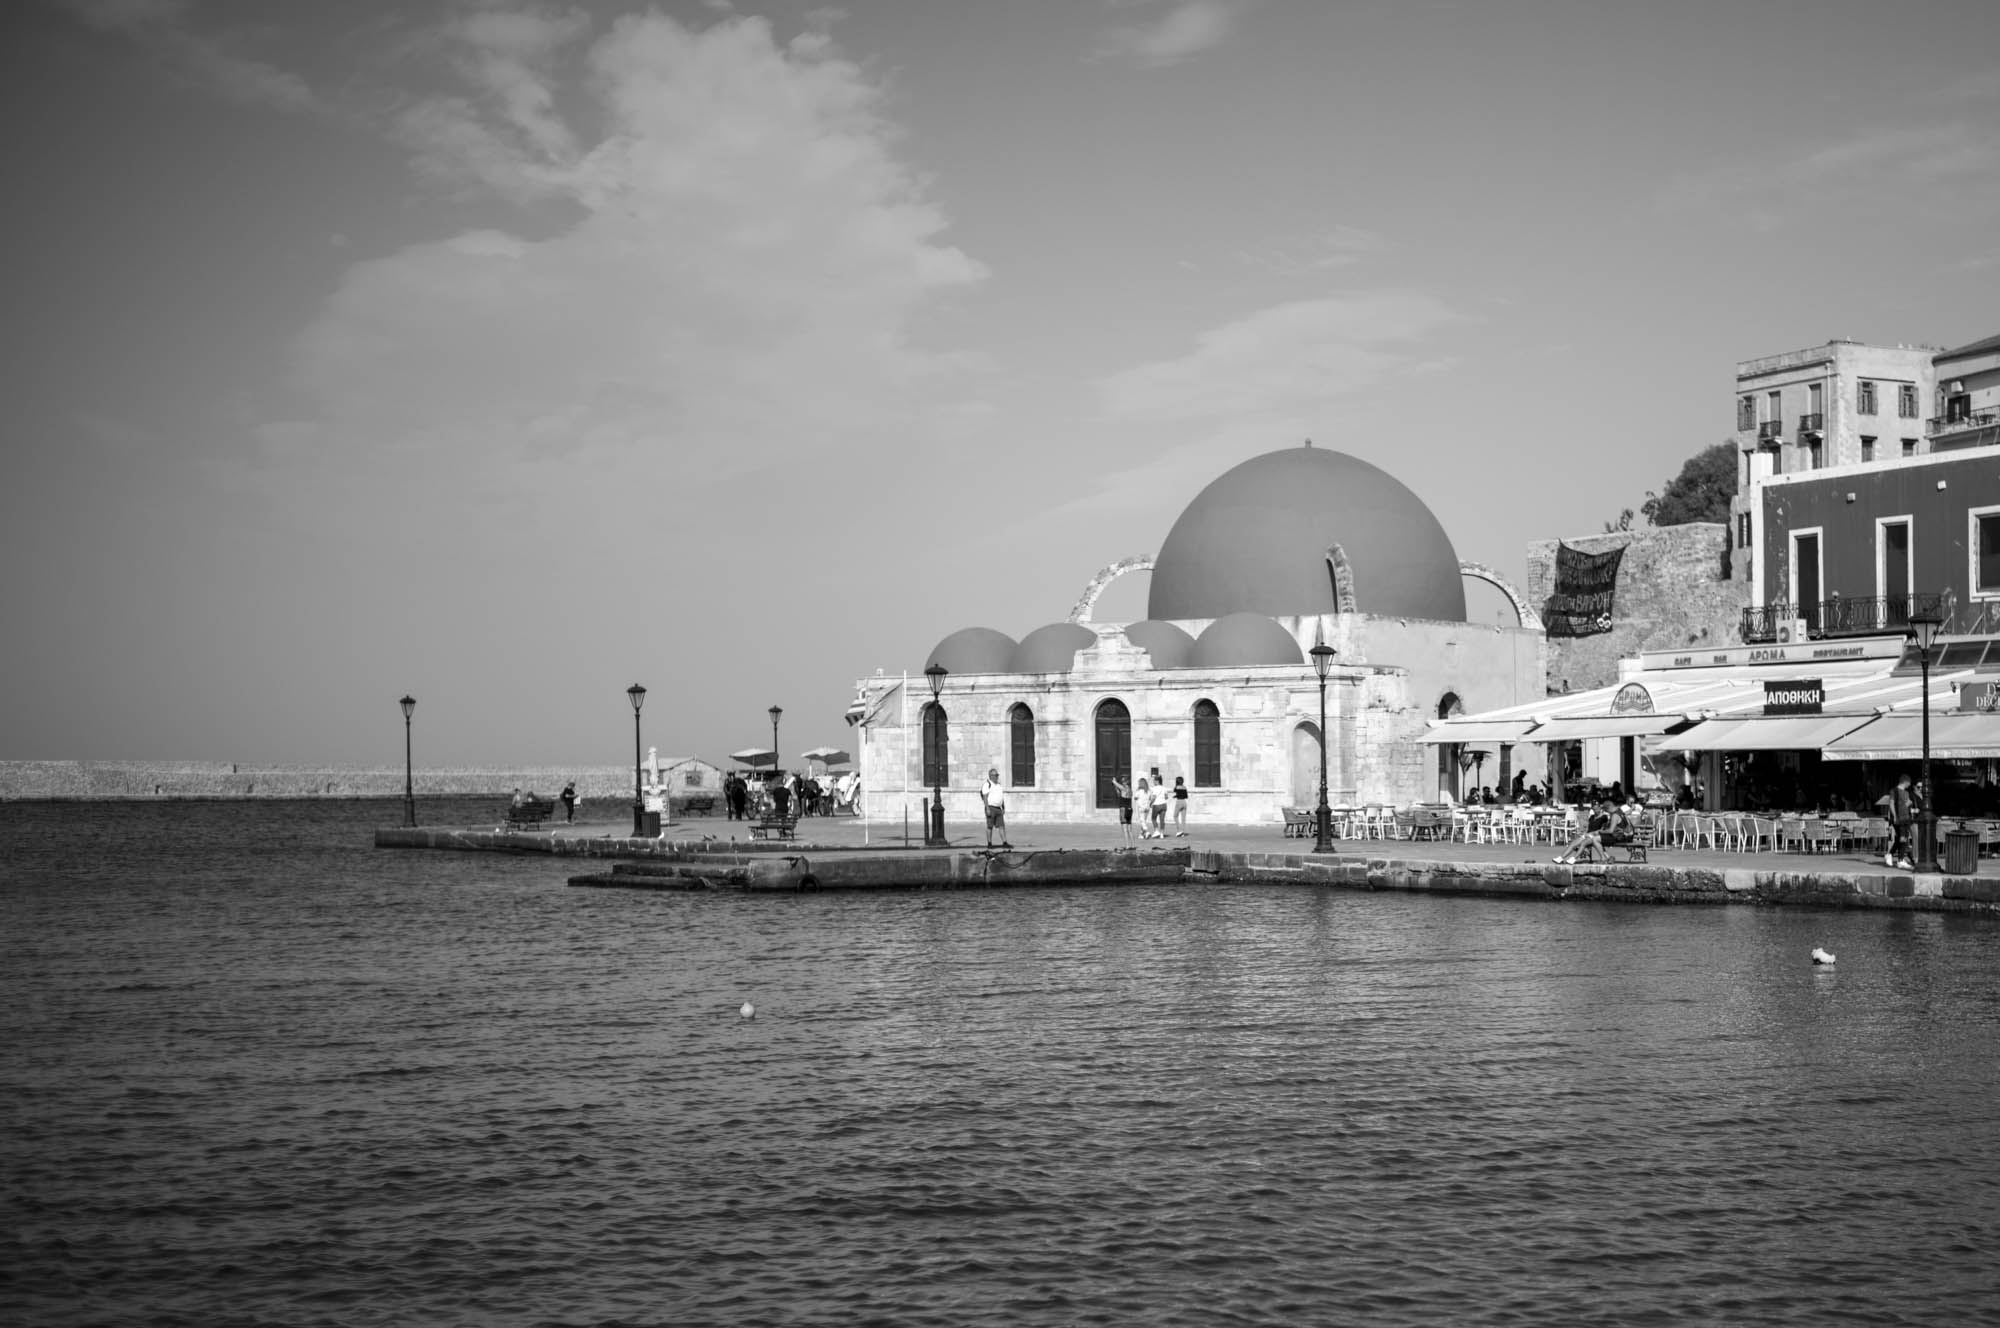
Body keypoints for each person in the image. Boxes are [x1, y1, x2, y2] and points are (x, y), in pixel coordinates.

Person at [1553, 799, 1616, 864]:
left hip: (1595, 835)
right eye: (1594, 809)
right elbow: (1588, 827)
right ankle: (1561, 858)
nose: (1596, 811)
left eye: (1597, 809)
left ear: (1600, 808)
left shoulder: (1604, 817)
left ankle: (1574, 858)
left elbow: (1602, 829)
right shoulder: (1592, 817)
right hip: (1587, 834)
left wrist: (1592, 834)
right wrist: (1584, 833)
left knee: (1583, 843)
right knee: (1574, 843)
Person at [1887, 774, 1916, 870]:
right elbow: (1891, 804)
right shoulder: (1894, 791)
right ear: (1906, 782)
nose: (1910, 785)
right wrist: (1894, 816)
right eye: (1909, 783)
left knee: (1901, 838)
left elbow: (1906, 805)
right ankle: (1899, 860)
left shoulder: (1906, 793)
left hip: (1906, 818)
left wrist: (1909, 805)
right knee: (1903, 838)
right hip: (1899, 818)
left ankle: (1892, 855)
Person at [982, 768, 1009, 847]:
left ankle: (1004, 842)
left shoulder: (998, 785)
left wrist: (1003, 807)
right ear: (991, 776)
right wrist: (987, 808)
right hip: (991, 807)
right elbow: (985, 797)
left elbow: (1001, 797)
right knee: (990, 826)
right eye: (996, 775)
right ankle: (989, 843)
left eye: (997, 775)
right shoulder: (987, 785)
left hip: (998, 808)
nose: (997, 776)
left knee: (1001, 826)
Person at [1112, 774, 1136, 845]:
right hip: (1130, 810)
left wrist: (1114, 780)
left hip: (1123, 810)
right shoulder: (1130, 790)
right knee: (1130, 830)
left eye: (1123, 781)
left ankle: (1127, 845)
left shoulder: (1123, 788)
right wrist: (1116, 788)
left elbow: (1115, 783)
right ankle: (1133, 845)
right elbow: (1120, 795)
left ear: (1125, 782)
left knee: (1125, 829)